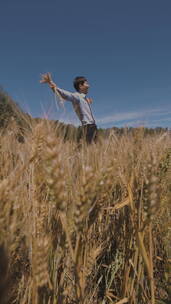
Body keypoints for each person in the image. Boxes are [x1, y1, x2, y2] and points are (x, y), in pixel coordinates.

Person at [40, 73, 98, 144]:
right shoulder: (77, 96)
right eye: (86, 83)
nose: (89, 85)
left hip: (93, 126)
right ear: (80, 86)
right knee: (88, 148)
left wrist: (87, 101)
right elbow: (66, 95)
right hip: (88, 127)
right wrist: (54, 86)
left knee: (93, 148)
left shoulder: (83, 98)